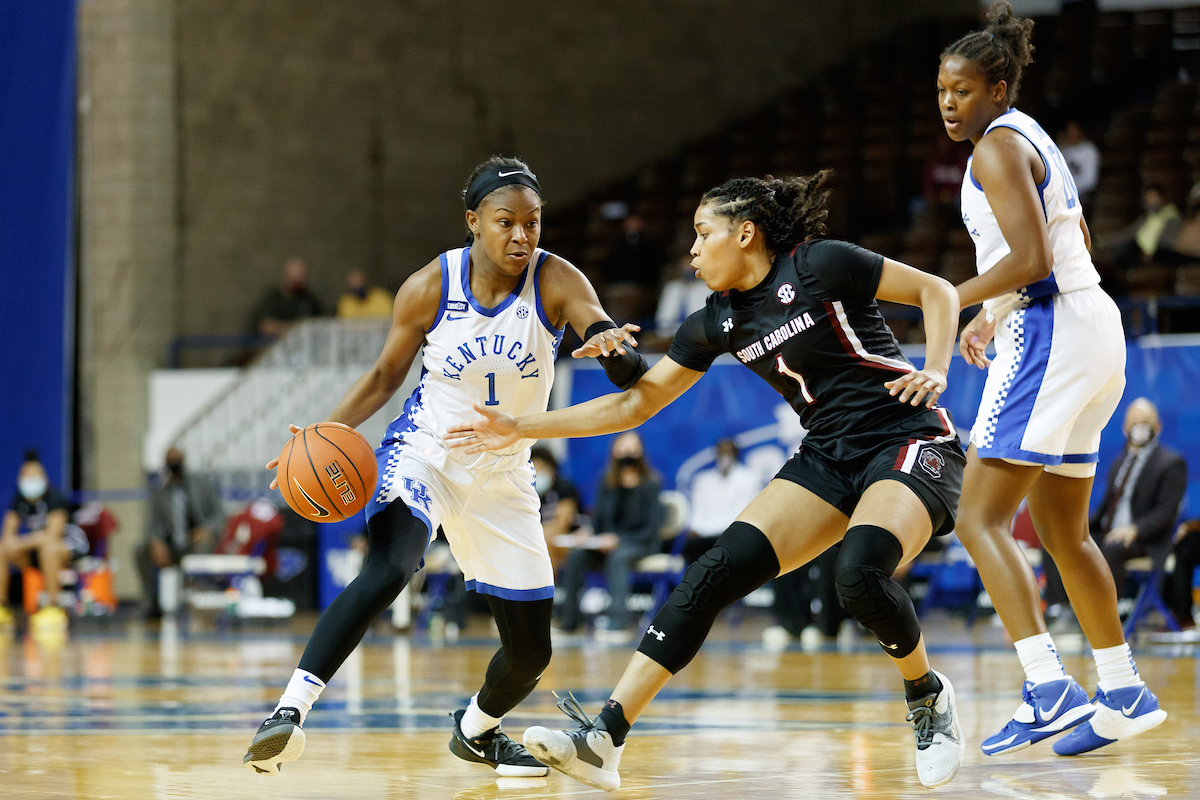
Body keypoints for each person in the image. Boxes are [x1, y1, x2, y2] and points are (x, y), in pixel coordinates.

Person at [449, 171, 968, 789]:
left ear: (745, 234)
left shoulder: (820, 265)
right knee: (710, 573)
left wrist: (938, 367)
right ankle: (604, 739)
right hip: (827, 456)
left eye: (703, 234)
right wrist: (520, 427)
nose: (691, 250)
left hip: (906, 437)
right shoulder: (716, 320)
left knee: (857, 576)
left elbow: (937, 291)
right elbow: (635, 404)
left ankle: (927, 695)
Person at [244, 157, 647, 778]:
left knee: (530, 656)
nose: (522, 235)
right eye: (506, 222)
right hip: (426, 452)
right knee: (391, 566)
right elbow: (384, 375)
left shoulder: (557, 280)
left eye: (533, 223)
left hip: (504, 471)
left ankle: (477, 731)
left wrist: (614, 350)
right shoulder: (430, 286)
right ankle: (289, 712)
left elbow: (624, 364)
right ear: (473, 221)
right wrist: (325, 430)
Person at [939, 1, 1167, 758]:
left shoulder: (995, 149)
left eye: (963, 90)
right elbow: (1074, 241)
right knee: (1066, 534)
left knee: (977, 519)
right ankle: (1123, 691)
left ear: (998, 89)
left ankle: (1047, 687)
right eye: (942, 91)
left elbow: (1033, 261)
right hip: (1091, 325)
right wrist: (991, 310)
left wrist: (952, 297)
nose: (949, 103)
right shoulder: (1032, 137)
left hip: (1051, 331)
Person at [557, 432, 664, 640]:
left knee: (618, 558)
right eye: (623, 448)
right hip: (605, 543)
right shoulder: (606, 480)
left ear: (641, 452)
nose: (627, 453)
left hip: (639, 543)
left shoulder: (651, 483)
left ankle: (618, 624)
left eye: (632, 448)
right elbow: (598, 520)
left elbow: (651, 530)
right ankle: (569, 622)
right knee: (577, 555)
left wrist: (618, 540)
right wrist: (587, 533)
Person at [136, 447, 224, 617]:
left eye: (177, 460)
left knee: (203, 547)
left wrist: (207, 529)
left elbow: (219, 515)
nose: (174, 464)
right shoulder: (160, 491)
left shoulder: (201, 485)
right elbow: (151, 524)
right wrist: (155, 541)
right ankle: (152, 603)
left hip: (195, 542)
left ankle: (197, 598)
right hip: (171, 545)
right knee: (140, 551)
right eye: (171, 461)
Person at [0, 450, 82, 633]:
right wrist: (10, 543)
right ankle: (2, 607)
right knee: (2, 549)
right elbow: (8, 535)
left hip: (67, 546)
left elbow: (51, 536)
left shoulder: (54, 497)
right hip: (37, 550)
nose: (30, 480)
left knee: (49, 549)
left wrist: (19, 543)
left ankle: (53, 607)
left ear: (44, 477)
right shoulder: (19, 500)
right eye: (26, 476)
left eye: (34, 476)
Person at [684, 438, 765, 562]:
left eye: (728, 453)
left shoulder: (749, 478)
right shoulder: (703, 480)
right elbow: (697, 513)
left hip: (732, 534)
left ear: (736, 454)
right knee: (691, 546)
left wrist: (723, 530)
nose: (724, 457)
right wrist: (697, 528)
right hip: (704, 536)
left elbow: (743, 513)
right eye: (721, 452)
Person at [1104, 184, 1181, 271]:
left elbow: (1167, 242)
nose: (1151, 201)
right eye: (1148, 198)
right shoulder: (1146, 216)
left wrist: (1151, 253)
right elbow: (1128, 233)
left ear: (1162, 198)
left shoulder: (1172, 217)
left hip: (1152, 254)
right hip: (1134, 247)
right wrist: (1103, 241)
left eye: (1154, 197)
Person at [530, 446, 581, 573]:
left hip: (569, 538)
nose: (538, 472)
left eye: (541, 468)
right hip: (536, 538)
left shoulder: (564, 488)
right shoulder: (526, 492)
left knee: (545, 545)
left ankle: (550, 584)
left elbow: (561, 523)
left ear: (551, 469)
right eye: (534, 468)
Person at [254, 257, 324, 337]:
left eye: (300, 276)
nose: (297, 279)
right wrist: (297, 327)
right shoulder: (274, 299)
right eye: (293, 276)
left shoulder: (310, 299)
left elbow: (322, 324)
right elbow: (266, 327)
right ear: (286, 276)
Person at [655, 252, 711, 336]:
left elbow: (704, 318)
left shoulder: (705, 288)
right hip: (670, 334)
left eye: (690, 266)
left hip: (697, 334)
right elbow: (662, 318)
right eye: (685, 266)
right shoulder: (671, 288)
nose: (687, 269)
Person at [1057, 121, 1099, 209]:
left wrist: (1070, 192)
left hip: (1083, 196)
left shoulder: (1089, 150)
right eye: (1068, 130)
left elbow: (1090, 181)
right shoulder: (1063, 150)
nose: (1071, 133)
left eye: (1074, 130)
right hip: (1063, 195)